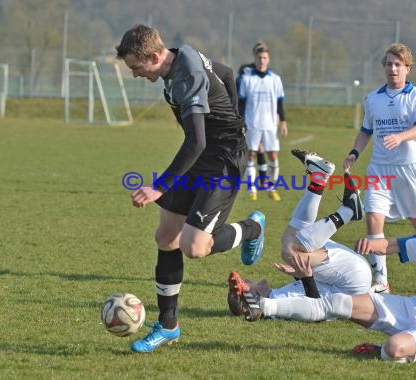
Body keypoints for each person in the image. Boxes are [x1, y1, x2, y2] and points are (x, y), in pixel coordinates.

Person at [115, 24, 266, 353]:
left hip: (222, 159)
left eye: (137, 68)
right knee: (165, 236)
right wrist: (233, 115)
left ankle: (252, 229)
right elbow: (226, 74)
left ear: (154, 57)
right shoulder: (182, 54)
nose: (136, 75)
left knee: (194, 247)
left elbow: (196, 141)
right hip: (200, 153)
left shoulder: (186, 76)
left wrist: (159, 186)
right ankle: (168, 325)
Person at [246, 195, 416, 363]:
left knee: (393, 349)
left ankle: (384, 350)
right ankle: (263, 306)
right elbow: (394, 245)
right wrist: (371, 245)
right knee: (338, 301)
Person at [228, 149, 370, 320]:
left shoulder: (277, 296)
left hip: (351, 277)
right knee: (290, 251)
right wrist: (306, 277)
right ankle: (348, 211)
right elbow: (318, 309)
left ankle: (319, 178)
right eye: (248, 285)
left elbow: (318, 293)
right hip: (353, 280)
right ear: (255, 297)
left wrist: (298, 273)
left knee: (294, 238)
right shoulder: (274, 302)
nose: (248, 279)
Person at [343, 42, 416, 294]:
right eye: (389, 64)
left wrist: (401, 137)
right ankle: (381, 281)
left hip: (409, 167)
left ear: (408, 68)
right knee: (373, 217)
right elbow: (366, 130)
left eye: (398, 64)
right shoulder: (373, 98)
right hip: (379, 168)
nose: (393, 69)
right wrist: (354, 153)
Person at [238, 41, 288, 201]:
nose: (262, 60)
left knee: (273, 155)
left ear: (269, 59)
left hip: (270, 125)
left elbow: (280, 101)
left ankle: (272, 188)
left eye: (265, 58)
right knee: (251, 155)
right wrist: (240, 121)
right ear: (255, 58)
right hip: (251, 123)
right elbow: (241, 102)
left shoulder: (275, 79)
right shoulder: (247, 79)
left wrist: (283, 122)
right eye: (259, 57)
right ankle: (252, 189)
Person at [236, 60, 268, 189]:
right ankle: (255, 182)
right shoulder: (242, 79)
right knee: (252, 150)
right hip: (246, 119)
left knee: (257, 149)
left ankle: (260, 181)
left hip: (256, 119)